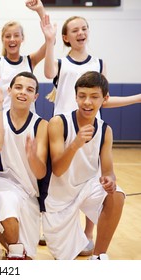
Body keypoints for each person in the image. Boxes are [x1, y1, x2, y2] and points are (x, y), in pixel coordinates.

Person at [41, 14, 140, 255]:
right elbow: (46, 73)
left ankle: (88, 235)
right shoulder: (61, 64)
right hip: (65, 130)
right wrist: (49, 40)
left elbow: (103, 99)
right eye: (74, 29)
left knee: (98, 181)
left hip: (91, 130)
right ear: (66, 37)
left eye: (84, 28)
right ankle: (58, 225)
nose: (80, 32)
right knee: (62, 178)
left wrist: (138, 98)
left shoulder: (99, 63)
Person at [42, 71, 125, 260]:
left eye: (94, 97)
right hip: (58, 196)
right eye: (82, 96)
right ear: (76, 96)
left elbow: (108, 172)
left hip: (87, 188)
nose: (87, 102)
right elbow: (58, 169)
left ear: (105, 98)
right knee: (63, 257)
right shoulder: (58, 123)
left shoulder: (105, 130)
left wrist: (109, 180)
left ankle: (98, 257)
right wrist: (75, 144)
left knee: (116, 195)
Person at [0, 72, 48, 260]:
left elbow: (41, 172)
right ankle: (14, 256)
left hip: (30, 191)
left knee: (29, 252)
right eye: (19, 87)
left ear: (35, 97)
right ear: (10, 90)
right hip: (2, 181)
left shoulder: (42, 125)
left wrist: (32, 157)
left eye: (29, 90)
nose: (23, 92)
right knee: (7, 203)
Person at [0, 0, 47, 117]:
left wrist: (40, 10)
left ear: (22, 38)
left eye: (16, 35)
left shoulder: (30, 60)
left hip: (26, 120)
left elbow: (50, 42)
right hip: (0, 121)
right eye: (8, 36)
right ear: (2, 40)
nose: (12, 39)